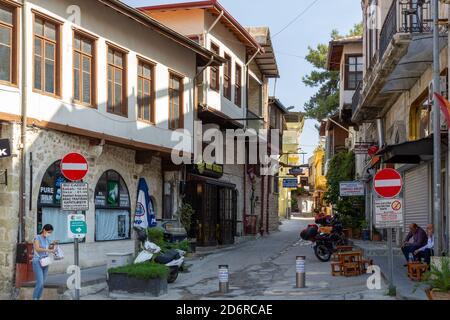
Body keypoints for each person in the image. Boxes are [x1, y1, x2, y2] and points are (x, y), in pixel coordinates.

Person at [32, 224, 55, 300]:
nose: (49, 234)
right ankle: (35, 298)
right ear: (44, 230)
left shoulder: (47, 239)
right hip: (37, 261)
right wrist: (48, 250)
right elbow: (37, 249)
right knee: (40, 282)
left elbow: (50, 248)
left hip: (45, 261)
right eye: (48, 232)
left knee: (42, 284)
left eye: (51, 232)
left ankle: (39, 298)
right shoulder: (37, 237)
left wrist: (54, 251)